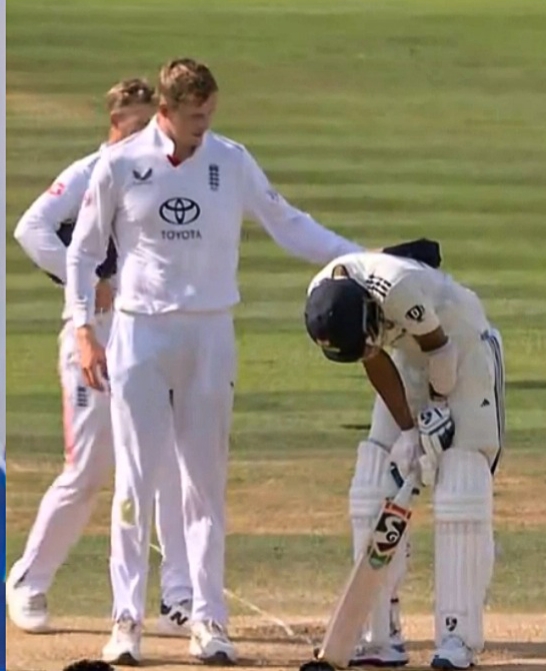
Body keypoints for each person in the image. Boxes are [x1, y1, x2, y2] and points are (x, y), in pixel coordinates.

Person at [65, 57, 444, 666]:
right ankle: (125, 622)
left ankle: (210, 621)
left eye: (210, 115)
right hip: (140, 333)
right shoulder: (121, 164)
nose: (203, 127)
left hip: (210, 332)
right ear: (165, 111)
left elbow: (288, 224)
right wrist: (84, 329)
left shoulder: (230, 161)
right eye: (194, 117)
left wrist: (364, 260)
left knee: (205, 485)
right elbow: (83, 253)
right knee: (135, 482)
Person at [9, 78, 193, 637]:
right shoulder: (90, 170)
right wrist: (90, 281)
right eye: (136, 125)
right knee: (88, 471)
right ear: (115, 124)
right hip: (93, 335)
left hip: (151, 334)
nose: (146, 134)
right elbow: (30, 228)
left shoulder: (161, 171)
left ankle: (179, 597)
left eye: (152, 124)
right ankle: (28, 582)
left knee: (169, 465)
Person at [304, 251, 505, 670]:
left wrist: (437, 410)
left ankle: (457, 637)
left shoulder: (397, 288)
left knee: (461, 484)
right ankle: (380, 635)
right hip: (410, 361)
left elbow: (441, 350)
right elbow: (373, 357)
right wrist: (410, 431)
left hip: (463, 351)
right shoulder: (325, 300)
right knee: (371, 485)